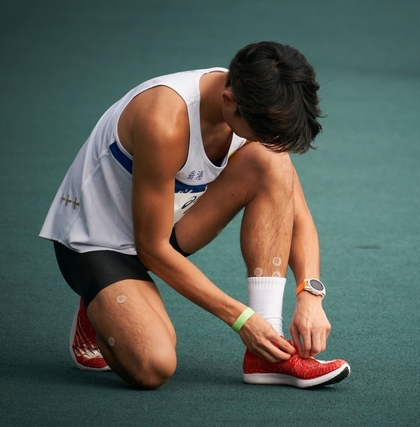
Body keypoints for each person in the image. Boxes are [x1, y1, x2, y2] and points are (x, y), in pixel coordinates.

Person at [39, 41, 350, 389]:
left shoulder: (254, 100)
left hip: (164, 226)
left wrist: (309, 292)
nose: (270, 139)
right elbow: (151, 248)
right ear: (229, 101)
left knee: (273, 163)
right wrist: (241, 319)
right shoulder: (164, 120)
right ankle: (97, 307)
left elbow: (299, 217)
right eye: (265, 131)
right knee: (152, 366)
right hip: (96, 243)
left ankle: (268, 350)